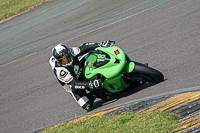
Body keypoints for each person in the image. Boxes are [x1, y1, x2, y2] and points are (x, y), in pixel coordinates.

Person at [49, 40, 114, 112]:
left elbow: (85, 47)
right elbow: (74, 84)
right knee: (87, 106)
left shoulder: (71, 51)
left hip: (79, 68)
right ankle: (95, 92)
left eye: (68, 57)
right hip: (73, 86)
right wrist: (90, 85)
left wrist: (100, 44)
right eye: (64, 60)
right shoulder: (60, 71)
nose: (67, 61)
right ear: (58, 61)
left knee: (92, 55)